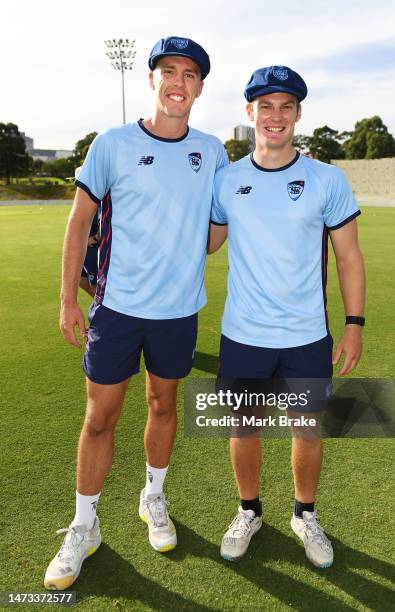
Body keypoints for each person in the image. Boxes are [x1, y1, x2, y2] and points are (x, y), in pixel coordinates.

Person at [44, 36, 228, 590]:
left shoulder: (214, 150)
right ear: (152, 79)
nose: (178, 82)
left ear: (200, 87)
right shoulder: (112, 144)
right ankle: (84, 526)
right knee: (99, 417)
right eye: (168, 70)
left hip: (177, 313)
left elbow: (215, 239)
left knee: (163, 404)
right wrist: (67, 299)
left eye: (190, 73)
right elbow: (79, 222)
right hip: (117, 309)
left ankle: (153, 496)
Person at [208, 65, 365, 567]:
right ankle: (249, 510)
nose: (275, 116)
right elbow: (206, 244)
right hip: (244, 335)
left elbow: (349, 257)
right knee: (243, 427)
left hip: (305, 336)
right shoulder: (227, 180)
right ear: (249, 111)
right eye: (265, 105)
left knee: (307, 429)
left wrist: (354, 326)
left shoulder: (324, 178)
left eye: (286, 106)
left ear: (298, 113)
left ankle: (304, 514)